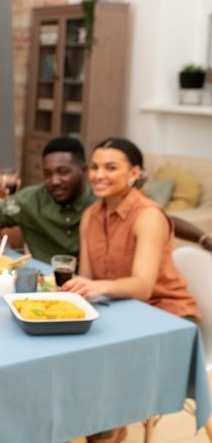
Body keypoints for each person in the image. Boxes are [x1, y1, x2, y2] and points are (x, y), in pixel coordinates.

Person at [62, 137, 200, 443]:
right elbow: (87, 276)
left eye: (111, 167)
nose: (99, 175)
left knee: (99, 360)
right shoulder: (90, 216)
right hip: (121, 313)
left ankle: (106, 427)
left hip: (171, 318)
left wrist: (96, 287)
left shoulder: (148, 215)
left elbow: (143, 286)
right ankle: (94, 423)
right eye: (94, 167)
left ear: (134, 173)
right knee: (64, 349)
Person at [0, 136, 212, 263]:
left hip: (95, 289)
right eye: (47, 174)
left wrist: (204, 239)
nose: (54, 181)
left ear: (83, 169)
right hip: (51, 286)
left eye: (63, 172)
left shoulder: (100, 202)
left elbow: (160, 217)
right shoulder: (30, 199)